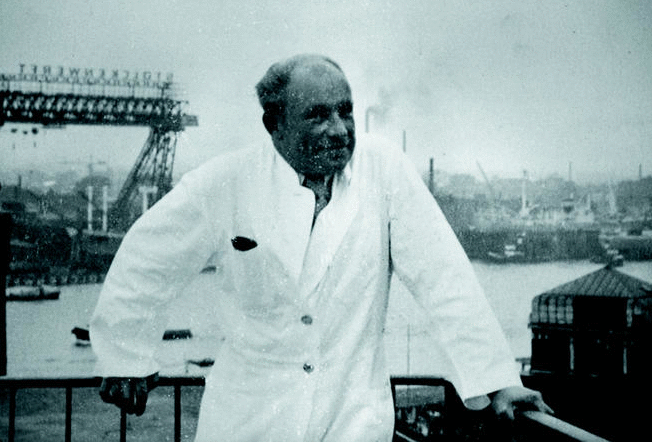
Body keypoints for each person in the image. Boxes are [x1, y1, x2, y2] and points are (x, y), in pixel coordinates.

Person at [90, 54, 551, 441]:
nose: (339, 129)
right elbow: (148, 257)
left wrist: (497, 381)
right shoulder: (228, 181)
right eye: (317, 115)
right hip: (249, 422)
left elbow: (444, 278)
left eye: (345, 111)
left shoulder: (384, 170)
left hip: (350, 420)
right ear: (274, 124)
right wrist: (125, 355)